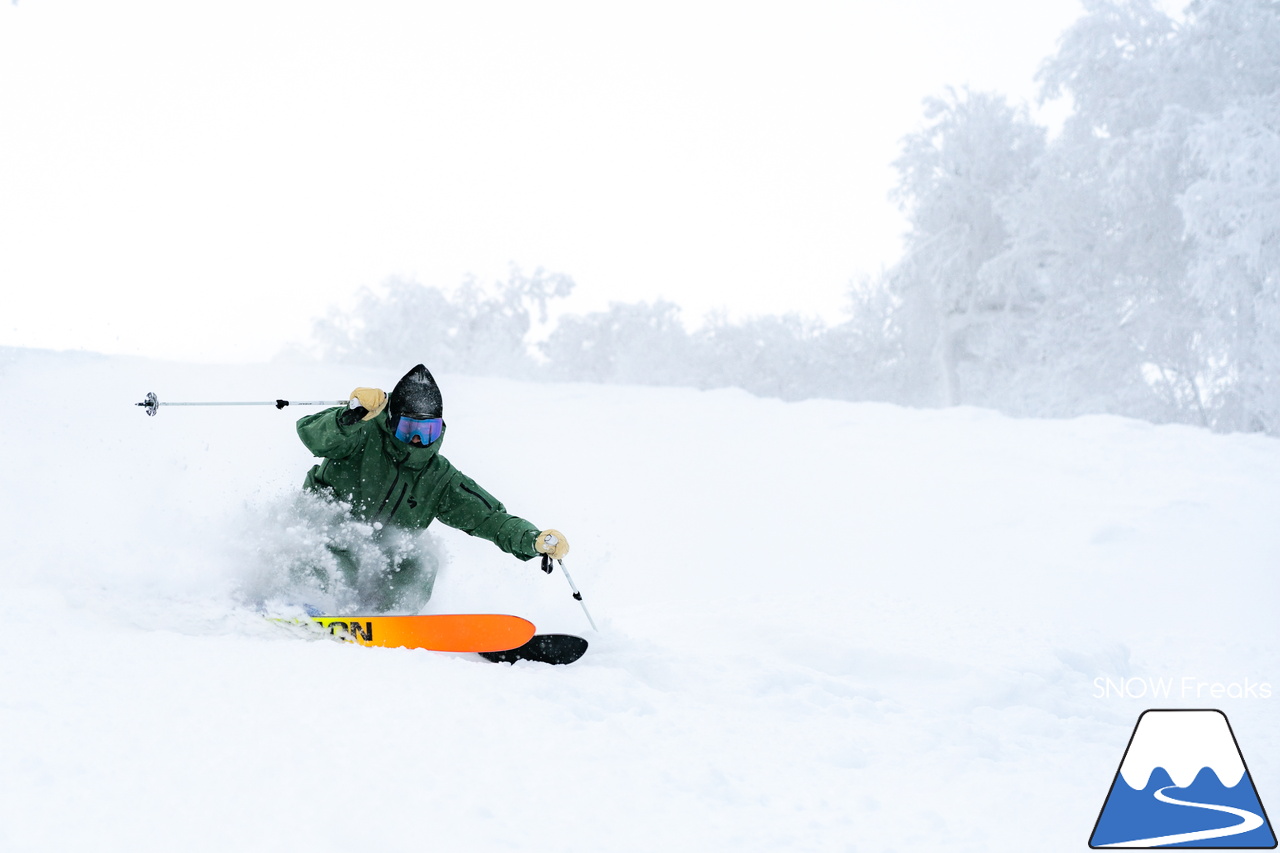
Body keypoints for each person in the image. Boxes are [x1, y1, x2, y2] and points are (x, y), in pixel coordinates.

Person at [295, 363, 568, 611]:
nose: (416, 439)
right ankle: (304, 600)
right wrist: (348, 417)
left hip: (375, 555)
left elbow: (490, 518)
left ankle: (391, 617)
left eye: (427, 431)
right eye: (408, 428)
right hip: (321, 533)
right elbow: (312, 435)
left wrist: (532, 539)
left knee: (420, 562)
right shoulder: (361, 434)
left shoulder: (438, 477)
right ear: (391, 421)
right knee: (340, 544)